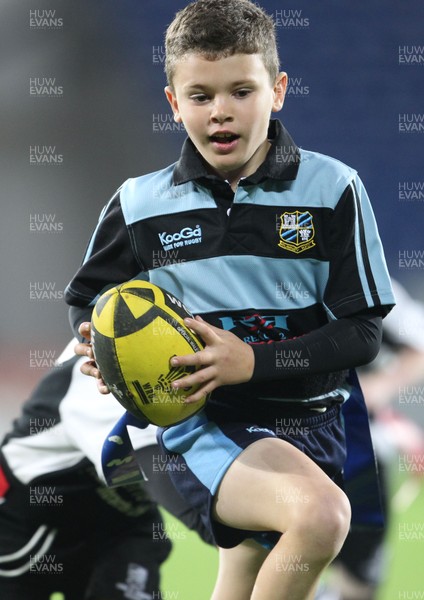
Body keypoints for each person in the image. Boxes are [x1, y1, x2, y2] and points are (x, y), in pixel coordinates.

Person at [65, 1, 395, 598]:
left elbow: (363, 332)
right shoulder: (140, 204)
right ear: (173, 102)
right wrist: (100, 349)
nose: (221, 110)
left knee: (242, 574)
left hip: (313, 424)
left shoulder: (334, 189)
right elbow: (90, 301)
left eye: (242, 90)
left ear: (279, 91)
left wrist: (254, 361)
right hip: (190, 426)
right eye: (200, 96)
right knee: (321, 516)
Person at [0, 339, 213, 600]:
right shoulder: (102, 374)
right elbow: (167, 480)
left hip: (121, 523)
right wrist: (258, 535)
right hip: (28, 519)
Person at [317, 279, 424, 600]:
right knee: (276, 564)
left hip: (360, 452)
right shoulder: (272, 277)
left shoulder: (371, 282)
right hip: (287, 444)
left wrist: (378, 387)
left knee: (360, 581)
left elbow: (418, 347)